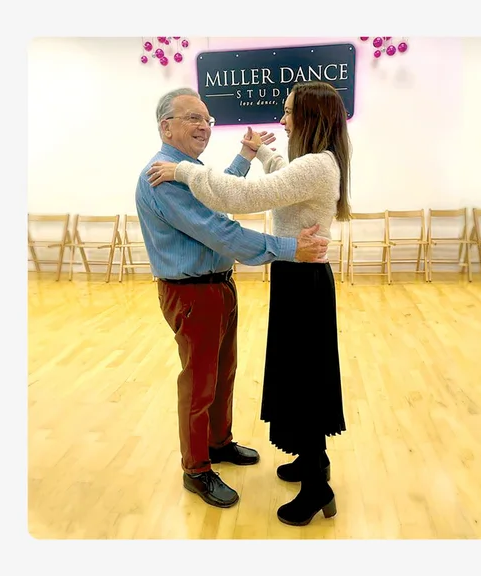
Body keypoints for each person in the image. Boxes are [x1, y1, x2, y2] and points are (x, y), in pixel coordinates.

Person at [146, 81, 350, 526]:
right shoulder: (163, 174)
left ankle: (316, 480)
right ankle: (200, 466)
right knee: (220, 380)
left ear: (311, 118)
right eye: (193, 118)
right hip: (215, 287)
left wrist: (185, 172)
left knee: (300, 380)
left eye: (289, 111)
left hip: (295, 278)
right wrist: (253, 156)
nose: (282, 119)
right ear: (166, 127)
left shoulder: (181, 171)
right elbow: (226, 221)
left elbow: (237, 201)